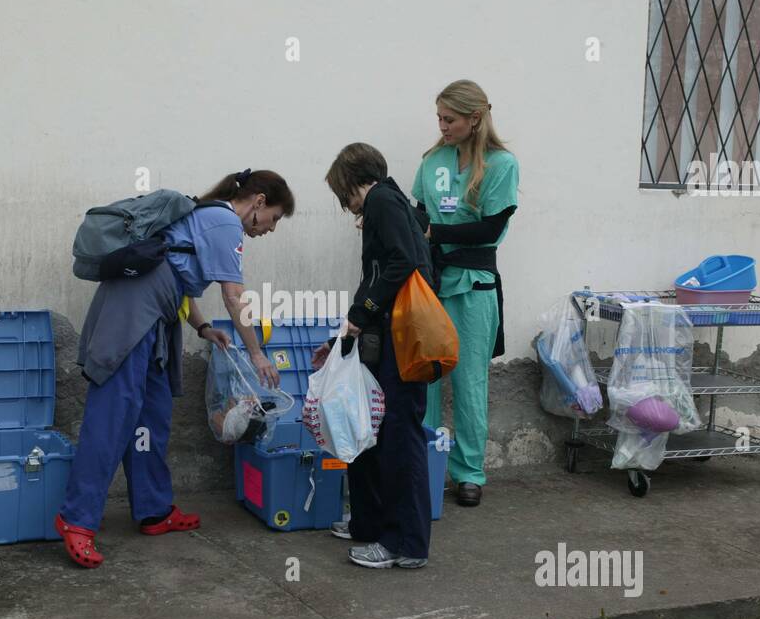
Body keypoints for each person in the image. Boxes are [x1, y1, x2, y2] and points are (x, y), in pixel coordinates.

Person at [55, 169, 293, 568]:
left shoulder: (208, 217)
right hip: (132, 315)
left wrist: (202, 327)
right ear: (259, 201)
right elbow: (235, 298)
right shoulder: (224, 222)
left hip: (156, 317)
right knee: (112, 418)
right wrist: (257, 354)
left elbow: (178, 274)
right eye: (275, 218)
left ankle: (153, 510)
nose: (271, 229)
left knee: (152, 414)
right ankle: (76, 520)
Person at [316, 143, 433, 569]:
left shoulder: (382, 199)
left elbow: (402, 263)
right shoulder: (393, 200)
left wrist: (362, 315)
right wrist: (347, 329)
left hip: (400, 338)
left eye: (342, 195)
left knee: (400, 437)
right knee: (373, 429)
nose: (346, 207)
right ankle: (370, 523)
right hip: (390, 335)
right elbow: (382, 271)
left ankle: (405, 543)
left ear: (351, 181)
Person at [412, 80, 518, 507]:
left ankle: (469, 472)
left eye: (449, 119)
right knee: (428, 380)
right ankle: (425, 463)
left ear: (475, 119)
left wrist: (433, 232)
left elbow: (489, 231)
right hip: (432, 285)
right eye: (438, 117)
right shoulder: (432, 160)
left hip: (474, 286)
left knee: (470, 382)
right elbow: (418, 213)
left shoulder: (501, 164)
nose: (442, 126)